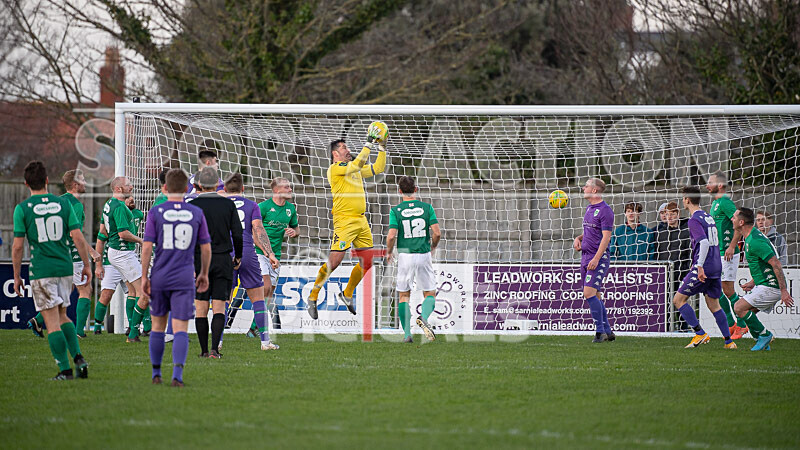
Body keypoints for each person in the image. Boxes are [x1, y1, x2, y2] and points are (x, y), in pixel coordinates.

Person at [12, 161, 93, 379]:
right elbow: (77, 237)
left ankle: (65, 370)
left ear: (26, 183)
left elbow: (18, 245)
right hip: (65, 267)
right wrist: (87, 264)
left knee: (51, 322)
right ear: (47, 180)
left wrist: (17, 275)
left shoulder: (23, 209)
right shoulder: (63, 205)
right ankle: (78, 358)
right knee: (62, 315)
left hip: (43, 269)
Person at [306, 124, 388, 319]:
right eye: (344, 148)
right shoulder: (336, 169)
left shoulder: (354, 169)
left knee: (367, 261)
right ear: (335, 154)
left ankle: (347, 294)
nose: (348, 150)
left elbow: (378, 167)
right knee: (335, 262)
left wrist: (382, 147)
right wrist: (369, 143)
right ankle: (313, 295)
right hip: (344, 221)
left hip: (361, 221)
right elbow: (358, 164)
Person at [141, 168, 211, 386]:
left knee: (158, 326)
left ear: (164, 188)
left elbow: (146, 247)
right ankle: (177, 377)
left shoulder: (156, 211)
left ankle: (155, 374)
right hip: (183, 276)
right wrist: (204, 273)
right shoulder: (196, 213)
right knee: (180, 328)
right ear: (186, 189)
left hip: (160, 275)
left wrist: (144, 276)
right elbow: (206, 248)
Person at [27, 169, 101, 338]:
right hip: (72, 253)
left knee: (64, 292)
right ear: (75, 185)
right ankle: (79, 332)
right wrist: (92, 252)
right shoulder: (75, 204)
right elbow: (73, 233)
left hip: (57, 251)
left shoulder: (59, 202)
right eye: (83, 180)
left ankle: (37, 321)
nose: (85, 183)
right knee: (85, 290)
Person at [187, 167, 242, 358]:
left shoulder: (191, 205)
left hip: (199, 260)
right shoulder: (228, 205)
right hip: (222, 258)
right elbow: (237, 233)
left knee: (201, 307)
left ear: (198, 184)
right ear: (217, 183)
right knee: (219, 306)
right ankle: (214, 350)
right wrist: (238, 256)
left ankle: (203, 350)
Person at [671, 186, 735, 349]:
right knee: (714, 304)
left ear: (687, 200)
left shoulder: (694, 219)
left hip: (704, 266)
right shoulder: (708, 217)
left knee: (678, 300)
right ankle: (729, 341)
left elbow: (704, 242)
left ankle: (700, 334)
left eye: (683, 198)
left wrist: (699, 266)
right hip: (715, 265)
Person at [222, 173, 279, 350]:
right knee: (258, 298)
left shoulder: (219, 205)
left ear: (224, 189)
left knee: (223, 300)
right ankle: (265, 342)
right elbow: (259, 229)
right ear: (243, 189)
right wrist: (269, 253)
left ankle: (218, 342)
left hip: (224, 254)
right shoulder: (251, 205)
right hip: (247, 252)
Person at [385, 176, 441, 343]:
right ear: (416, 189)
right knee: (429, 293)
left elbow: (391, 236)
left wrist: (389, 251)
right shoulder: (427, 207)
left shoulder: (395, 211)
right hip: (423, 255)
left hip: (405, 256)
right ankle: (423, 317)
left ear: (399, 191)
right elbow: (437, 233)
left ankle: (407, 334)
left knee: (403, 295)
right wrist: (433, 246)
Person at [732, 207, 794, 351]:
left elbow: (776, 263)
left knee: (738, 307)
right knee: (747, 313)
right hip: (764, 285)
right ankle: (762, 342)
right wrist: (753, 282)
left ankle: (765, 336)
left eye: (734, 217)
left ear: (741, 222)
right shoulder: (751, 237)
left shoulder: (754, 240)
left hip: (771, 287)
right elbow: (763, 265)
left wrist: (784, 291)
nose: (731, 219)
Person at [706, 171, 759, 339]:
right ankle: (731, 324)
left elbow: (738, 226)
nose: (707, 185)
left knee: (727, 290)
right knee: (715, 288)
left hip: (728, 253)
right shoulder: (715, 203)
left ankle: (742, 325)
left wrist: (731, 246)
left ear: (720, 185)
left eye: (710, 182)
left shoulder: (725, 203)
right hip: (718, 252)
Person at [99, 177, 147, 342]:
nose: (131, 187)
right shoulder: (119, 207)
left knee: (133, 292)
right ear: (119, 189)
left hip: (117, 252)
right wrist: (142, 241)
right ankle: (134, 333)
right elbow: (123, 234)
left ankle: (132, 331)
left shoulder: (109, 203)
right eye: (128, 185)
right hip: (122, 252)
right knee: (145, 292)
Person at [249, 177, 299, 333]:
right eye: (287, 187)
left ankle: (253, 328)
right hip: (259, 253)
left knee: (269, 293)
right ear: (277, 190)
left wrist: (294, 232)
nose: (290, 189)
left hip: (276, 255)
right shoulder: (262, 207)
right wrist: (266, 252)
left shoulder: (291, 208)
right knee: (266, 287)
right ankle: (255, 327)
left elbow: (297, 230)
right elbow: (254, 234)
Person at [572, 178, 614, 343]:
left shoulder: (605, 211)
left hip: (598, 258)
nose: (584, 188)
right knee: (595, 294)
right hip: (585, 256)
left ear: (595, 190)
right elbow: (589, 232)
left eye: (587, 186)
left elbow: (606, 237)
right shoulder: (590, 208)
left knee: (588, 293)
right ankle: (608, 331)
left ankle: (599, 332)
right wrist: (579, 238)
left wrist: (597, 258)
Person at [651, 201, 692, 329]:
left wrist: (687, 271)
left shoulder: (686, 232)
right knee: (665, 303)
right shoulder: (659, 233)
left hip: (681, 274)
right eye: (667, 214)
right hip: (664, 276)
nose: (669, 217)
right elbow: (656, 253)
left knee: (680, 303)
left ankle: (684, 328)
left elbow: (690, 254)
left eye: (672, 214)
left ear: (678, 214)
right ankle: (666, 327)